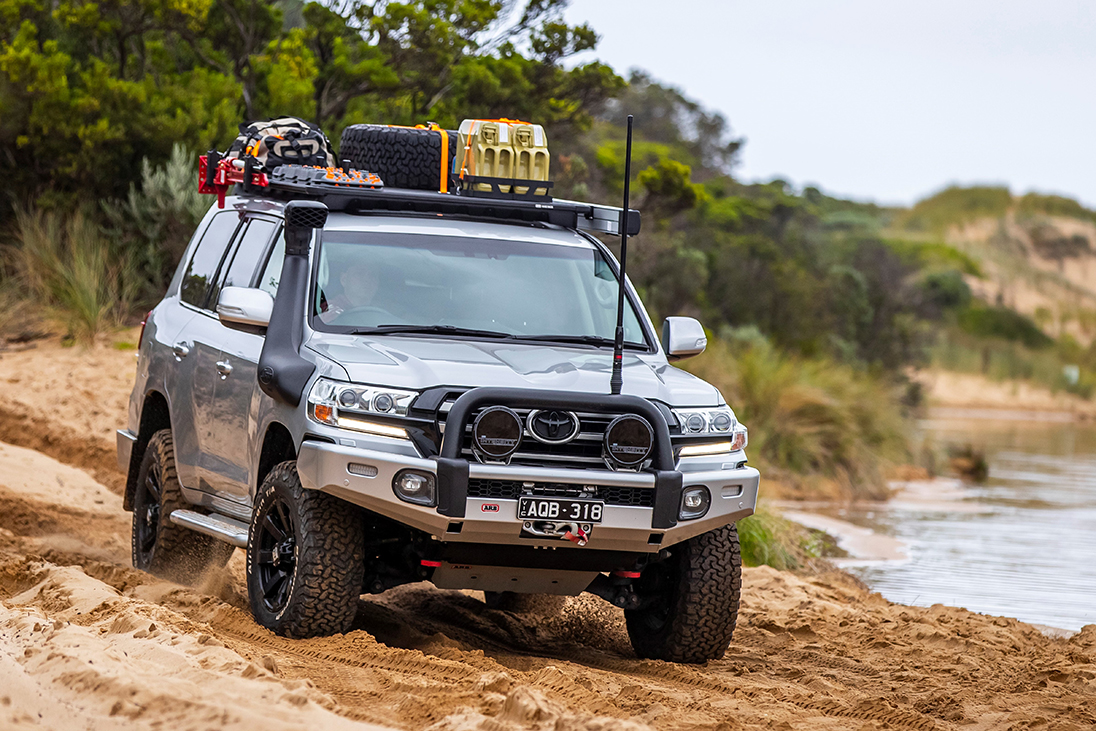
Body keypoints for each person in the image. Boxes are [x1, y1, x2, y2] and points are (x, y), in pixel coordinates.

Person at [318, 261, 383, 324]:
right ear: (344, 279)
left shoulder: (382, 314)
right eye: (359, 273)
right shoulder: (327, 311)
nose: (367, 280)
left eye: (373, 275)